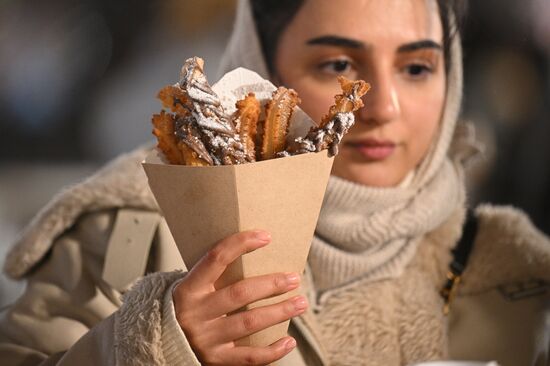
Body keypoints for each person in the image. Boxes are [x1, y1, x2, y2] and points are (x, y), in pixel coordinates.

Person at [1, 0, 549, 365]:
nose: (382, 105)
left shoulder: (510, 269)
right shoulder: (128, 233)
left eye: (417, 68)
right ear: (258, 69)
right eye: (338, 63)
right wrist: (147, 345)